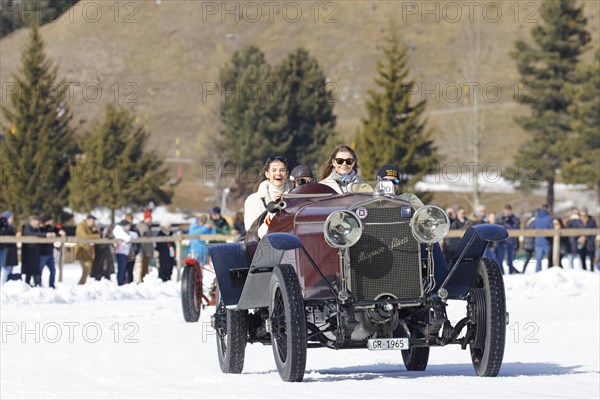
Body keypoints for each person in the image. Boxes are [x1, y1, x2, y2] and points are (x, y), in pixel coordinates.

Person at [244, 156, 290, 231]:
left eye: (282, 170)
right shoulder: (252, 200)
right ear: (267, 174)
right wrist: (273, 209)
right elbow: (252, 231)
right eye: (274, 170)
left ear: (286, 174)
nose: (278, 173)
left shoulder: (294, 197)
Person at [22, 215, 54, 287]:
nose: (38, 222)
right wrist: (45, 234)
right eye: (36, 221)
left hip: (35, 253)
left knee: (35, 271)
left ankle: (37, 284)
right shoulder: (27, 227)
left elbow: (39, 233)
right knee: (29, 271)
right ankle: (28, 285)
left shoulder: (36, 228)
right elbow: (31, 234)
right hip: (29, 252)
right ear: (32, 221)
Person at [39, 215, 66, 288]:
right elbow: (41, 233)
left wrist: (60, 231)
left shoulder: (52, 228)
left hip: (50, 253)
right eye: (50, 220)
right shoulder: (41, 228)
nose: (52, 222)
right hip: (42, 253)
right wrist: (49, 234)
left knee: (53, 270)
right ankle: (39, 284)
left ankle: (52, 285)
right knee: (40, 271)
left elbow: (57, 229)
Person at [75, 214, 101, 285]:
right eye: (93, 222)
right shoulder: (81, 226)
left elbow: (97, 235)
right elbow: (84, 236)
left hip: (89, 252)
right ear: (88, 220)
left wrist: (96, 231)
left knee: (87, 271)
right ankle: (80, 284)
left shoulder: (91, 227)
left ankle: (82, 284)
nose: (94, 223)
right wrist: (97, 236)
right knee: (86, 270)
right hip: (82, 251)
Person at [496, 204, 521, 274]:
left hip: (511, 242)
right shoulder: (499, 218)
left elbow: (516, 228)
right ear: (504, 210)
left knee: (510, 260)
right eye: (506, 211)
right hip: (501, 242)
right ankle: (501, 274)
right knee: (500, 259)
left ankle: (511, 273)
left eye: (508, 211)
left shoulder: (514, 219)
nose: (507, 212)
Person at [533, 204, 553, 272]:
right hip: (546, 241)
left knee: (538, 260)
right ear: (547, 209)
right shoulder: (549, 218)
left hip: (537, 241)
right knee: (550, 259)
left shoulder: (536, 218)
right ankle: (550, 272)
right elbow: (551, 228)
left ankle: (537, 273)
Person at [112, 219, 133, 286]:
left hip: (123, 251)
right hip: (121, 252)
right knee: (121, 268)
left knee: (123, 268)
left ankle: (122, 282)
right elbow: (128, 238)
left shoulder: (121, 230)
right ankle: (120, 282)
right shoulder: (119, 230)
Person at [0, 211, 18, 285]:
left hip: (7, 249)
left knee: (7, 268)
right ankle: (3, 284)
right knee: (5, 268)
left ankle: (6, 284)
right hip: (5, 248)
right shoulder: (4, 224)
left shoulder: (8, 225)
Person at [136, 209, 154, 282]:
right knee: (141, 267)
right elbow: (145, 241)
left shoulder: (147, 227)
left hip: (146, 250)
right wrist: (148, 251)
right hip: (143, 250)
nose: (150, 220)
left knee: (145, 267)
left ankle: (142, 280)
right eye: (149, 218)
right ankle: (140, 281)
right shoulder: (143, 227)